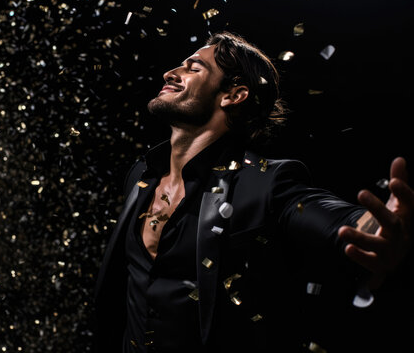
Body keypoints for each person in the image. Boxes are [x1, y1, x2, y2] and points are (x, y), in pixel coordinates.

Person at [93, 31, 413, 352]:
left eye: (194, 68)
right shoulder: (141, 173)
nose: (171, 73)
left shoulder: (265, 181)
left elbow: (321, 214)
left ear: (233, 95)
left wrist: (375, 227)